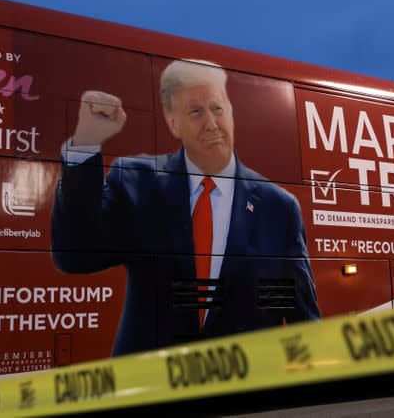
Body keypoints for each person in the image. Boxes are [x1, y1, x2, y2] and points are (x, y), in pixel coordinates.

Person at [51, 60, 320, 356]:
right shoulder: (137, 183)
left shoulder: (278, 207)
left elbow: (300, 313)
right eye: (196, 112)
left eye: (217, 108)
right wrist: (87, 143)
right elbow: (73, 255)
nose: (211, 123)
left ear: (231, 112)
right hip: (150, 390)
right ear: (173, 123)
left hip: (248, 391)